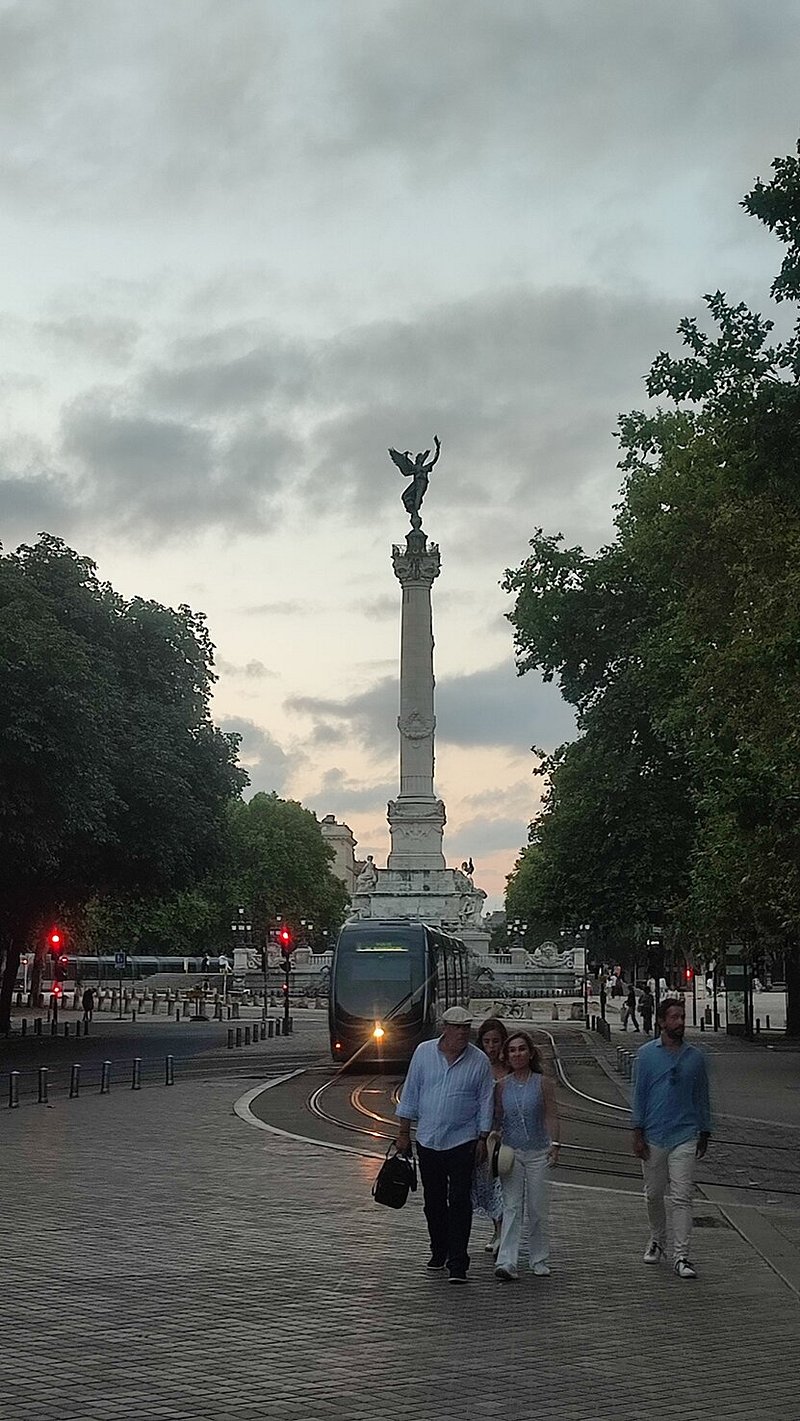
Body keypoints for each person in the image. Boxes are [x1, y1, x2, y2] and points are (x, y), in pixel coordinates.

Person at [396, 1006, 494, 1284]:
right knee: (434, 1202)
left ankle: (458, 1262)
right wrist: (403, 1132)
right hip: (428, 1139)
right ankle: (438, 1249)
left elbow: (486, 1101)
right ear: (444, 1028)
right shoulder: (424, 1053)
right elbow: (411, 1091)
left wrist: (483, 1137)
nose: (463, 1033)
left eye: (467, 1028)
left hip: (463, 1141)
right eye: (457, 1027)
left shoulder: (479, 1061)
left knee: (460, 1201)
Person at [632, 997, 712, 1279]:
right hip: (654, 1134)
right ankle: (657, 1239)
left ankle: (682, 1255)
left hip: (685, 1134)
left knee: (682, 1196)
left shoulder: (696, 1058)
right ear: (661, 1022)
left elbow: (702, 1096)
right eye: (674, 1017)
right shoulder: (645, 1055)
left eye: (682, 1017)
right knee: (653, 1194)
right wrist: (637, 1131)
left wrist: (705, 1130)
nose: (679, 1022)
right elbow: (639, 1095)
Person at [493, 1030, 561, 1281]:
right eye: (512, 1050)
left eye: (521, 1049)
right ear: (507, 1056)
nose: (517, 1054)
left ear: (530, 1053)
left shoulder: (542, 1083)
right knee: (511, 1206)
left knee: (537, 1208)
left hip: (538, 1152)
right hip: (512, 1153)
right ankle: (507, 1260)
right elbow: (498, 1117)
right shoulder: (501, 1086)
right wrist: (493, 1139)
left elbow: (550, 1114)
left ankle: (539, 1258)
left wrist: (555, 1143)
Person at [471, 1018, 510, 1254]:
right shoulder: (477, 1066)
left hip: (508, 1135)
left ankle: (503, 1234)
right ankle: (497, 1230)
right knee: (488, 1186)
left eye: (496, 1041)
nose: (491, 1047)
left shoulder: (511, 1067)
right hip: (485, 1136)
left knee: (504, 1187)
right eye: (487, 1042)